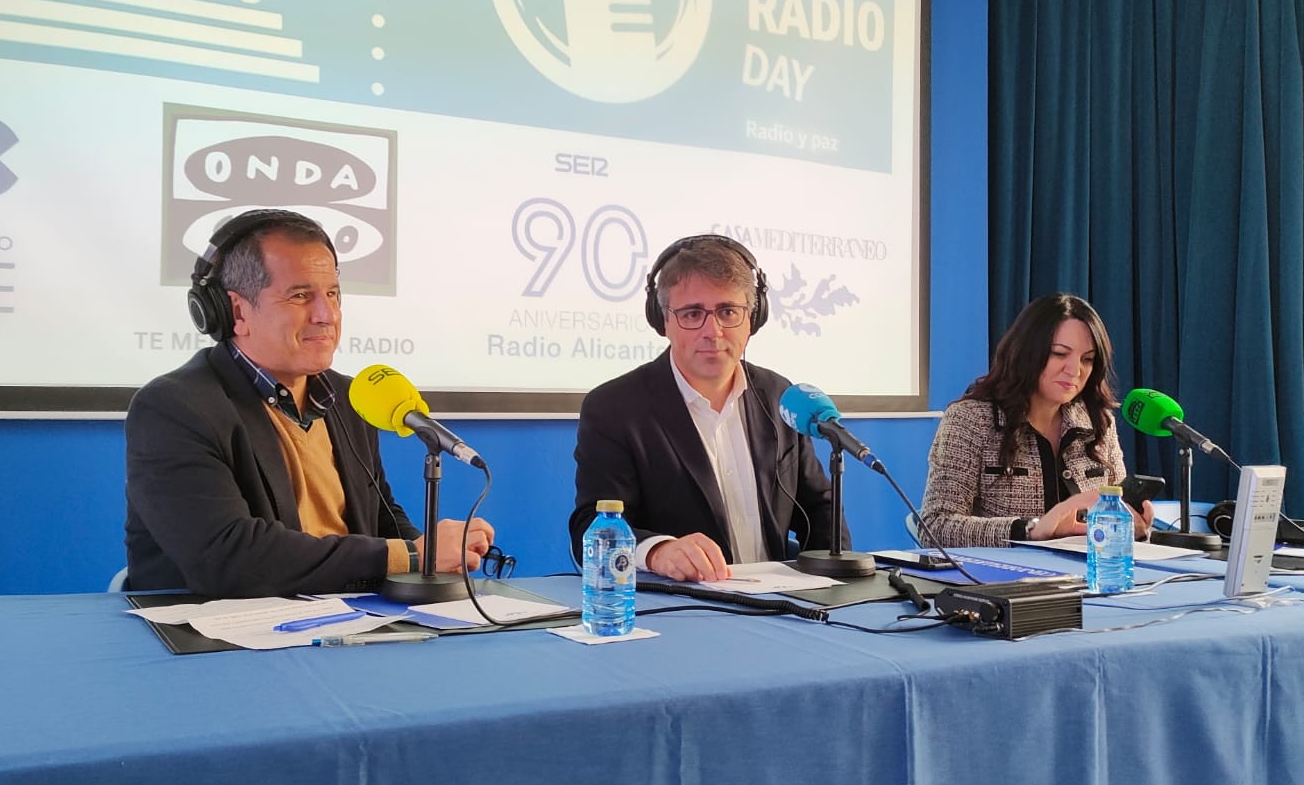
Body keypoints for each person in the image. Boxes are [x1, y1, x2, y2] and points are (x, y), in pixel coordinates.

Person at [125, 209, 492, 595]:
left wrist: (434, 555)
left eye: (332, 294)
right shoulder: (174, 409)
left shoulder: (352, 400)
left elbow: (382, 521)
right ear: (236, 312)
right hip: (215, 641)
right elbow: (230, 558)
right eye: (300, 296)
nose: (326, 315)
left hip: (347, 627)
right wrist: (413, 556)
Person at [569, 234, 844, 581]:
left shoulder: (780, 397)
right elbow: (589, 529)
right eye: (692, 313)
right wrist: (656, 551)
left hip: (783, 608)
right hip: (684, 612)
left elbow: (821, 507)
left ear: (752, 318)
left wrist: (833, 589)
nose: (711, 331)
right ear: (663, 321)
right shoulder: (615, 408)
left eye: (728, 311)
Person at [922, 292, 1154, 549]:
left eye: (1087, 359)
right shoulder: (971, 420)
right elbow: (935, 526)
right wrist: (1030, 530)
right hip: (1002, 582)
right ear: (1026, 352)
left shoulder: (1098, 422)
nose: (1075, 370)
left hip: (1089, 579)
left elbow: (1116, 517)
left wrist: (1134, 528)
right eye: (1059, 353)